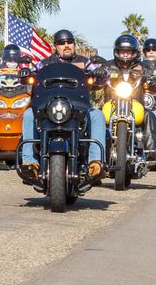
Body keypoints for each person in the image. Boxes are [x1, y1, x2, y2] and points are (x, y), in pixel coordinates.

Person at [19, 30, 106, 178]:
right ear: (55, 46)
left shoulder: (85, 62)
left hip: (78, 107)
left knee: (97, 115)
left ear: (74, 44)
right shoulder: (45, 63)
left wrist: (100, 73)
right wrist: (25, 72)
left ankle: (95, 162)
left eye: (69, 42)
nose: (66, 45)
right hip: (48, 106)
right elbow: (31, 72)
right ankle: (30, 163)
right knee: (28, 114)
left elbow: (103, 78)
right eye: (61, 42)